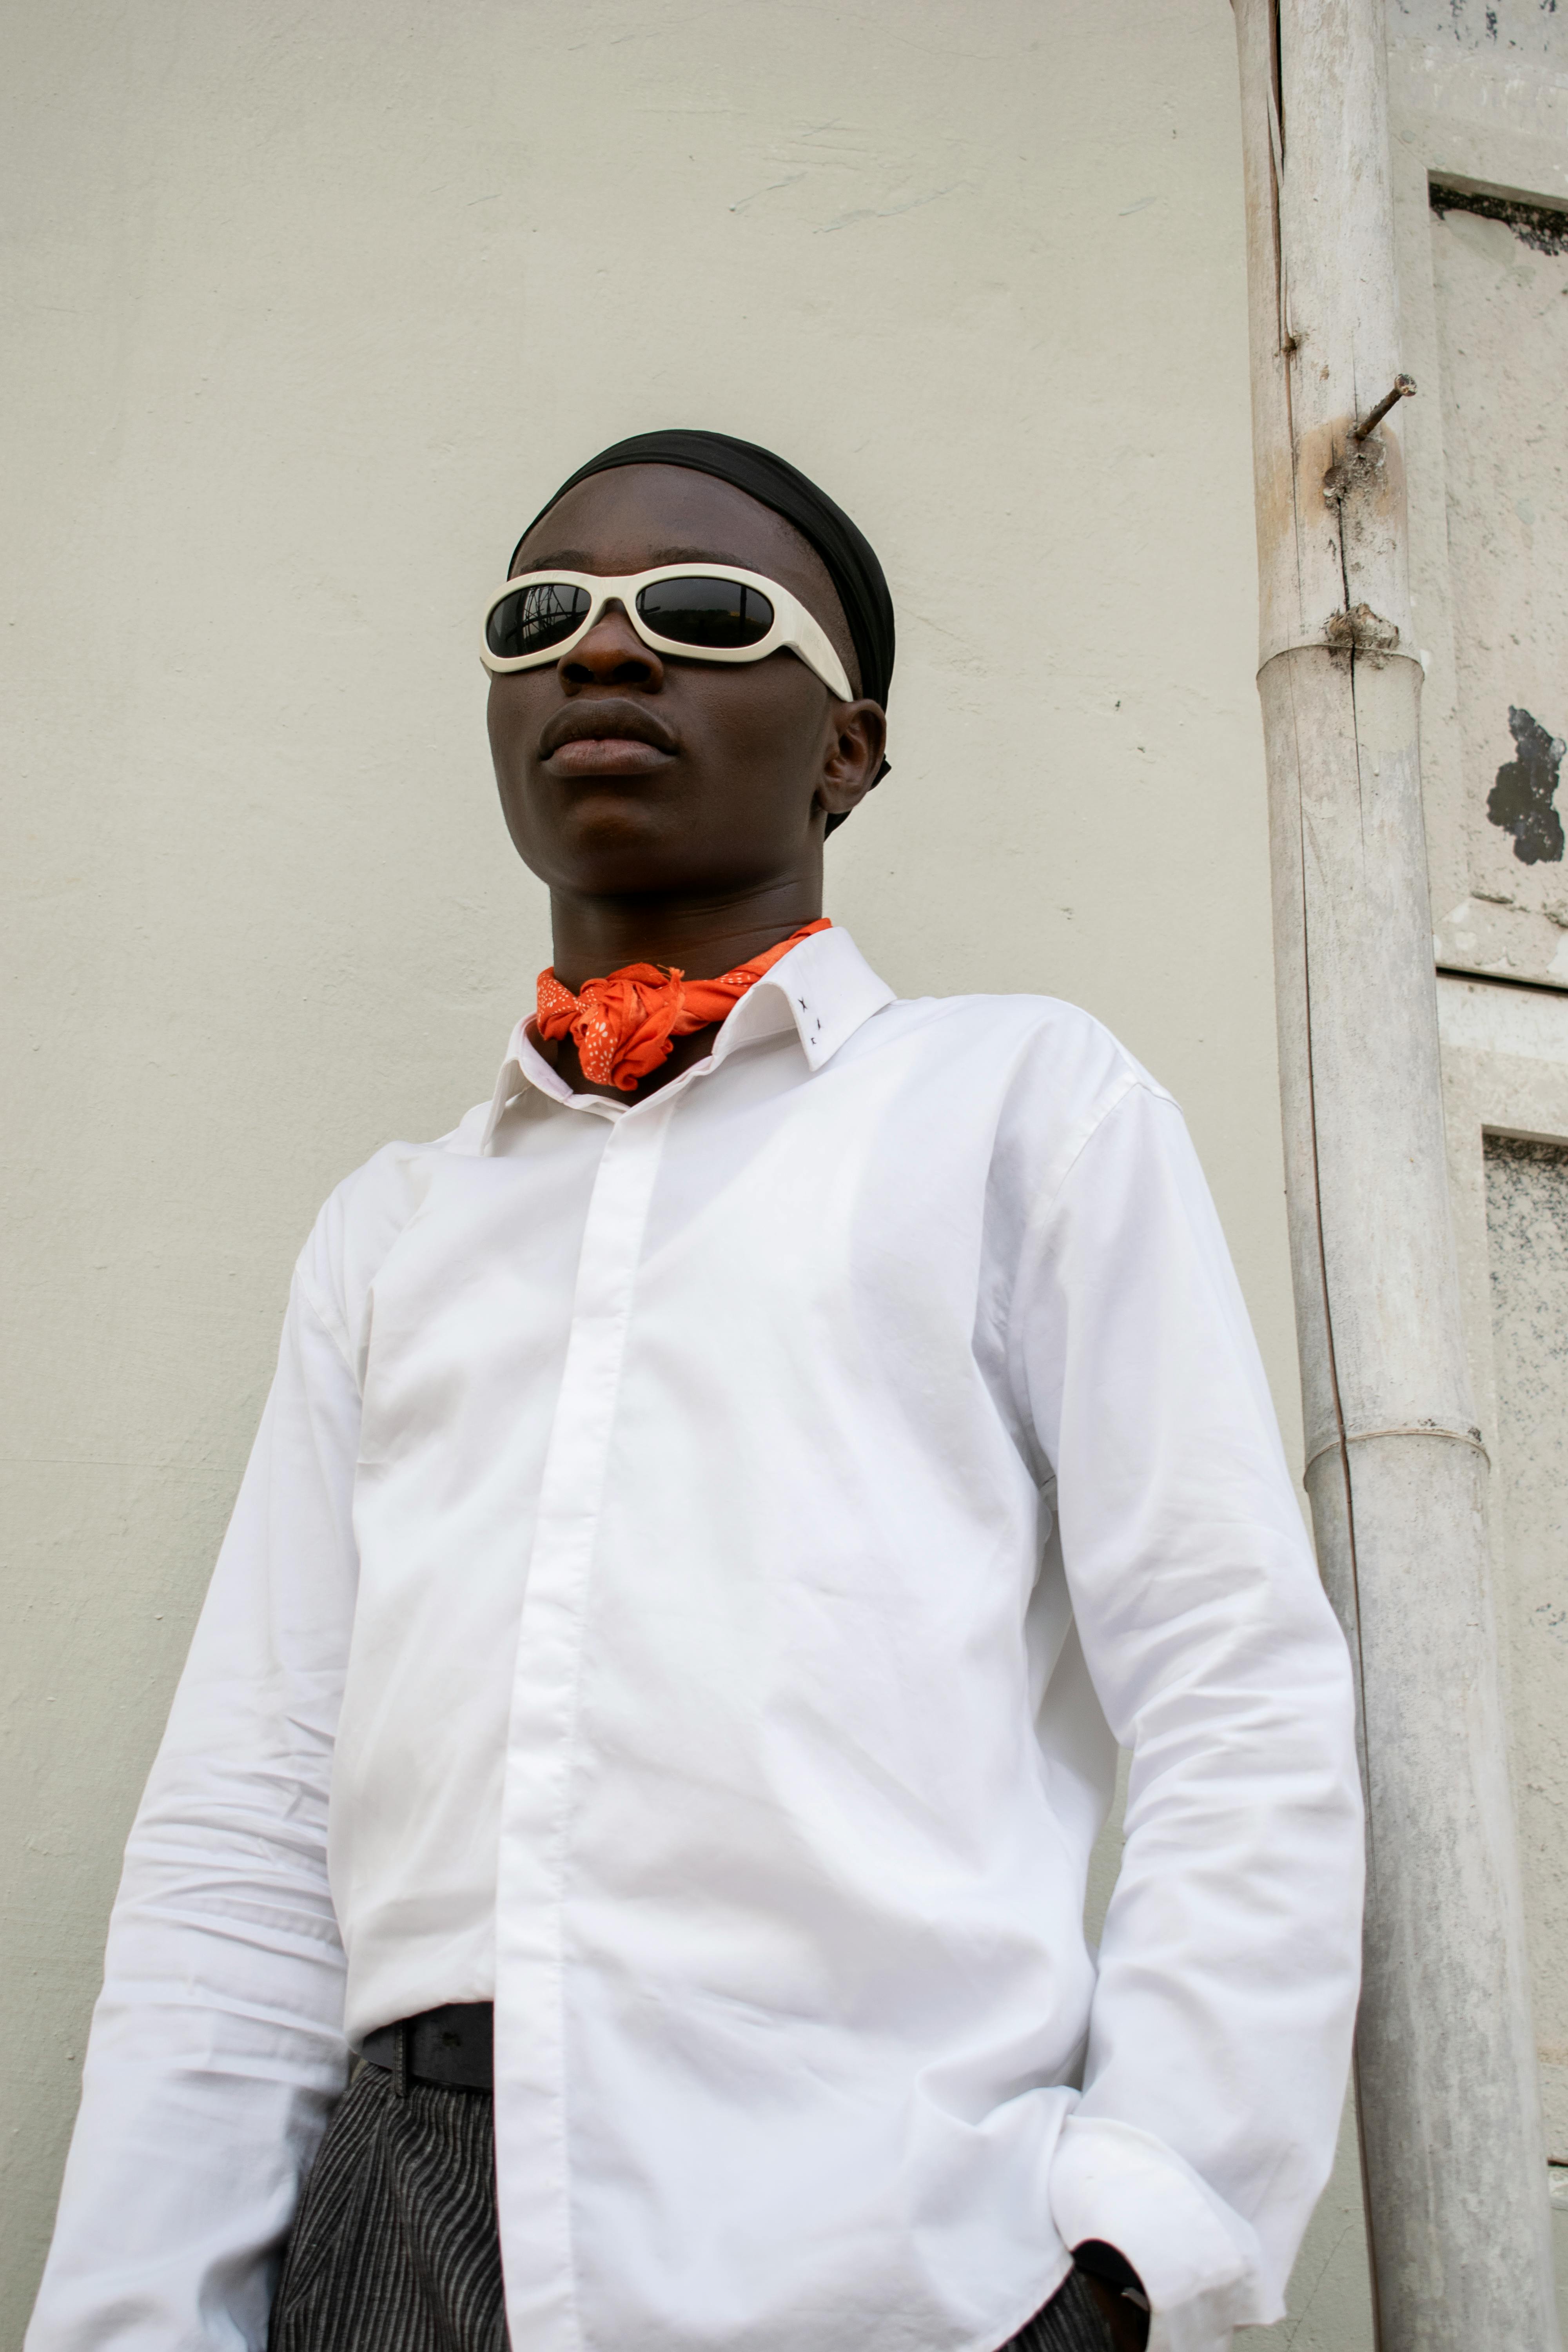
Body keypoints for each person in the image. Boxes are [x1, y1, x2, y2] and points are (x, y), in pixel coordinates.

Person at [27, 431, 1363, 2352]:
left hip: (891, 2241)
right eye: (543, 617)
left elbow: (1238, 1691)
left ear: (847, 748)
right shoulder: (395, 1230)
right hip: (392, 2241)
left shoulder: (1020, 1114)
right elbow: (247, 1830)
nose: (605, 654)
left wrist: (1144, 2252)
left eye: (703, 615)